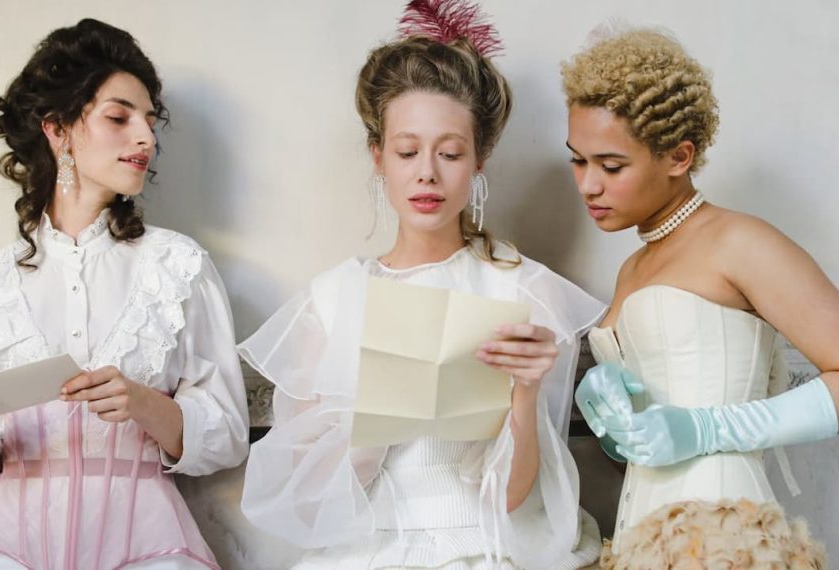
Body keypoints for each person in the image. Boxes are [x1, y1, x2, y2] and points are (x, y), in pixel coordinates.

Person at [238, 1, 605, 568]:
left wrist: (526, 394)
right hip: (369, 548)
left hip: (485, 546)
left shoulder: (524, 291)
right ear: (378, 155)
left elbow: (513, 499)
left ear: (479, 159)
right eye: (407, 151)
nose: (427, 172)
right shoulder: (332, 301)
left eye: (450, 152)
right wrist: (378, 419)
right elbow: (309, 504)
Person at [0, 19, 249, 569]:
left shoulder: (179, 267)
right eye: (120, 117)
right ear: (57, 128)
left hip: (147, 542)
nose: (146, 137)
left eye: (149, 121)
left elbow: (229, 437)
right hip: (4, 544)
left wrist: (143, 403)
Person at [562, 27, 839, 567]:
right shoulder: (632, 269)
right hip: (641, 533)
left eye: (611, 165)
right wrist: (618, 426)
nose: (587, 185)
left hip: (727, 534)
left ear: (679, 156)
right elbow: (650, 444)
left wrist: (710, 428)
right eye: (578, 160)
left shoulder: (741, 241)